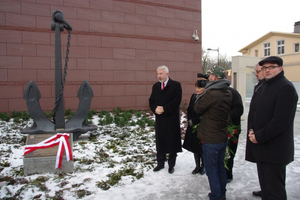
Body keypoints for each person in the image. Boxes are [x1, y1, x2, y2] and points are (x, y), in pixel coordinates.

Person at [248, 56, 298, 200]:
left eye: (271, 67)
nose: (267, 70)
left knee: (274, 190)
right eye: (264, 68)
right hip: (263, 147)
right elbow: (256, 112)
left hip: (275, 149)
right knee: (266, 187)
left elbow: (280, 122)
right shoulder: (266, 86)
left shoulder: (285, 87)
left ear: (280, 68)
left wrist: (259, 136)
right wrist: (252, 130)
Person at [194, 66, 232, 200]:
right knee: (220, 167)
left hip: (211, 139)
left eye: (210, 76)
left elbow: (197, 108)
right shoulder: (227, 92)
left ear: (214, 77)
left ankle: (216, 196)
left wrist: (202, 93)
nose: (208, 78)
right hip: (221, 137)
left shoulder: (211, 94)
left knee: (212, 171)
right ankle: (222, 194)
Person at [149, 65, 182, 174]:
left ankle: (171, 164)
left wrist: (164, 108)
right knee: (160, 141)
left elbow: (177, 101)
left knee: (172, 142)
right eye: (158, 74)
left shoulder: (176, 85)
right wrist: (155, 109)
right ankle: (160, 163)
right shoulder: (155, 86)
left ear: (167, 74)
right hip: (160, 119)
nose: (159, 76)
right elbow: (151, 101)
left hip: (171, 119)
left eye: (161, 73)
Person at [245, 63, 265, 197]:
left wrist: (259, 134)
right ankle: (265, 189)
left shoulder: (282, 88)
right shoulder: (260, 87)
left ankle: (269, 191)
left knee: (272, 177)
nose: (256, 74)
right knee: (262, 168)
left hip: (266, 137)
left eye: (258, 72)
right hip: (257, 134)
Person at [183, 78, 208, 175]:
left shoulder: (206, 97)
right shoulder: (194, 96)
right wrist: (190, 119)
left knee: (201, 147)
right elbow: (189, 109)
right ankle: (197, 165)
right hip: (192, 125)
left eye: (200, 87)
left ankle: (203, 166)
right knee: (194, 147)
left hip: (202, 126)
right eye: (196, 87)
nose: (197, 89)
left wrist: (196, 120)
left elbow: (205, 112)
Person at [226, 86, 243, 183]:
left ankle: (228, 174)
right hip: (218, 129)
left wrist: (227, 115)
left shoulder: (233, 93)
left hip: (232, 129)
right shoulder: (213, 92)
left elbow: (239, 110)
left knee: (230, 152)